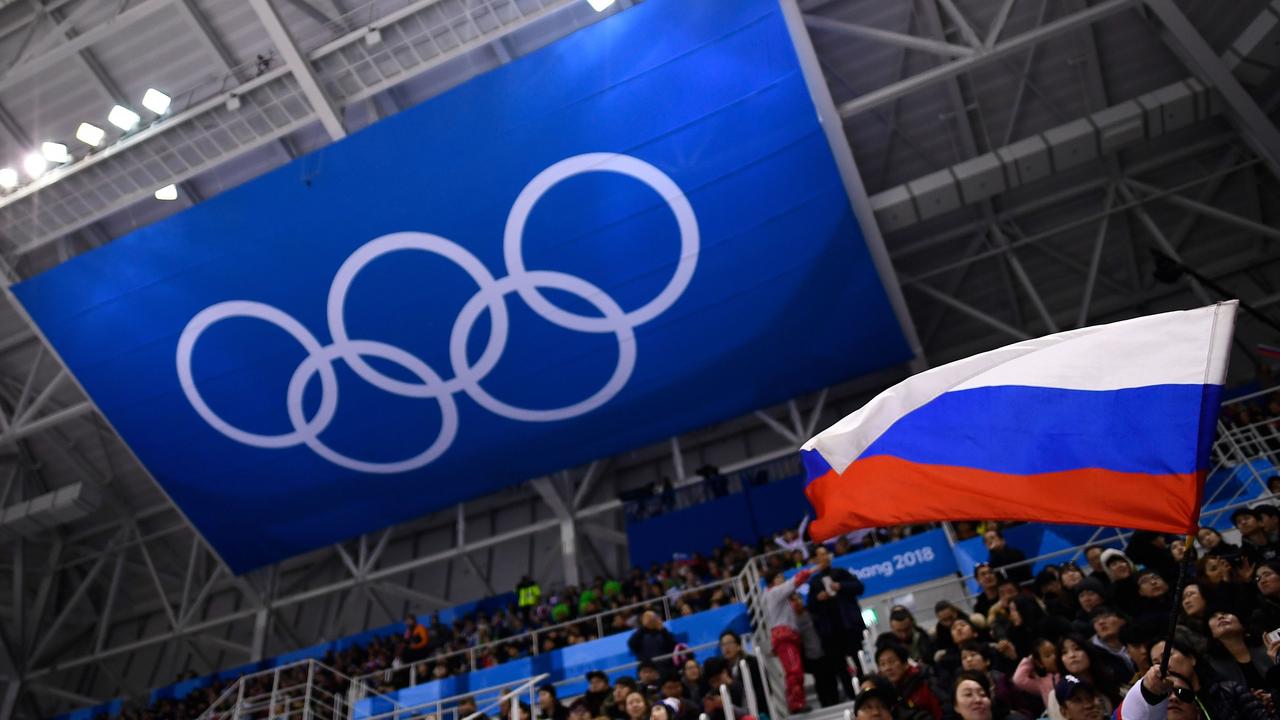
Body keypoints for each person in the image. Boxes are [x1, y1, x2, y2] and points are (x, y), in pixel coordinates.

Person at [1120, 639, 1270, 719]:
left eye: (1168, 656)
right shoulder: (1158, 708)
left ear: (1191, 658)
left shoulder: (1228, 690)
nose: (1163, 665)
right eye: (1157, 662)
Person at [807, 544, 866, 698]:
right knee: (840, 666)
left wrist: (840, 586)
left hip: (849, 626)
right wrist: (818, 598)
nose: (824, 557)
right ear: (814, 560)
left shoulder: (840, 572)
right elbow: (811, 606)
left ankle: (866, 689)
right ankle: (851, 695)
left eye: (825, 554)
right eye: (819, 555)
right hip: (830, 632)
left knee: (858, 660)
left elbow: (859, 587)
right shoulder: (814, 582)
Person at [761, 567, 814, 712]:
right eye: (779, 577)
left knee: (795, 671)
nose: (783, 580)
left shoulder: (777, 596)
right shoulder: (774, 592)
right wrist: (813, 569)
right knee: (794, 671)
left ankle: (798, 702)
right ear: (773, 581)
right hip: (784, 637)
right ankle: (796, 704)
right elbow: (795, 582)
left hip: (787, 636)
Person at [1206, 609, 1274, 689]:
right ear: (1211, 634)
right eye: (1213, 617)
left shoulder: (1269, 643)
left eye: (1225, 613)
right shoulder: (1214, 666)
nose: (1221, 617)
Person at [876, 642, 943, 719]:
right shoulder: (885, 694)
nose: (887, 668)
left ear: (905, 664)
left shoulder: (925, 681)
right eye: (882, 664)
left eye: (891, 662)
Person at [794, 593, 839, 707]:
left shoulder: (811, 613)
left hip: (824, 650)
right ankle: (825, 704)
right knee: (819, 681)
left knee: (831, 678)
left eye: (798, 599)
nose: (797, 602)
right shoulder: (792, 621)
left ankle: (836, 701)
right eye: (794, 600)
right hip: (810, 656)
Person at [719, 631, 767, 715]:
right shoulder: (722, 668)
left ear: (739, 646)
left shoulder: (752, 662)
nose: (726, 647)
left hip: (758, 708)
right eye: (723, 645)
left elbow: (760, 688)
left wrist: (731, 682)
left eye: (729, 643)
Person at [1087, 607, 1135, 677]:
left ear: (1122, 620)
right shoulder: (1091, 652)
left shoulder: (1137, 640)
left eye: (1106, 617)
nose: (1101, 622)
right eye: (1095, 620)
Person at [1012, 639, 1059, 706]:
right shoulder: (1041, 683)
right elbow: (1018, 679)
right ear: (1040, 663)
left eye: (1055, 652)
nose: (1054, 657)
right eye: (1048, 655)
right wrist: (1029, 659)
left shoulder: (1068, 671)